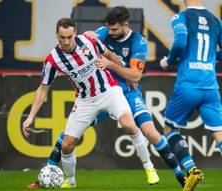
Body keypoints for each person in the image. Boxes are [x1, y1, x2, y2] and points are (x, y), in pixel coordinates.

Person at [28, 6, 192, 190]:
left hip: (123, 91)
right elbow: (88, 40)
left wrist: (112, 66)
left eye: (114, 29)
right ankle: (49, 177)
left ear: (125, 25)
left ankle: (177, 175)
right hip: (89, 98)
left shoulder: (139, 42)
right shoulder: (98, 35)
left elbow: (135, 76)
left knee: (149, 131)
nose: (110, 32)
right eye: (108, 28)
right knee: (66, 140)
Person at [23, 17, 152, 189]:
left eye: (70, 37)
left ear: (75, 33)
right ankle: (71, 181)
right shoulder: (52, 60)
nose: (67, 41)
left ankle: (149, 168)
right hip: (85, 100)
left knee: (129, 124)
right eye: (63, 37)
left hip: (109, 90)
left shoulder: (89, 40)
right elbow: (42, 89)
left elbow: (109, 55)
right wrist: (30, 116)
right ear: (57, 36)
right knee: (67, 144)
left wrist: (126, 74)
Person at [160, 0, 222, 190]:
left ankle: (191, 169)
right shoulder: (216, 21)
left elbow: (180, 41)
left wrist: (168, 61)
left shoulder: (181, 17)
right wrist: (212, 56)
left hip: (188, 84)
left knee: (169, 130)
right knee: (219, 134)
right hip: (210, 86)